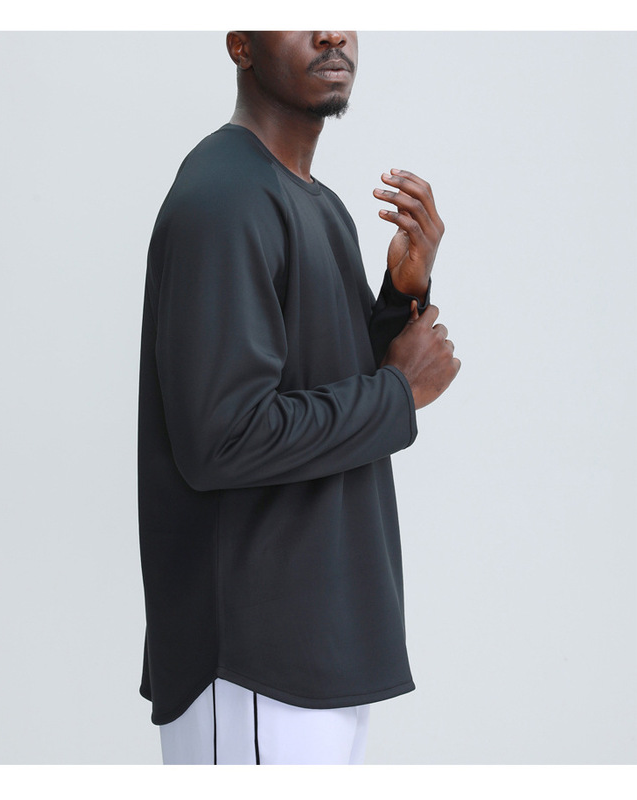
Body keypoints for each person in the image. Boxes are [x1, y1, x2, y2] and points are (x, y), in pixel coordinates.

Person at [137, 30, 460, 765]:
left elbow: (320, 384)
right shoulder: (225, 196)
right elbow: (222, 438)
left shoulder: (316, 203)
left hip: (318, 649)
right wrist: (398, 394)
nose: (331, 32)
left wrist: (400, 298)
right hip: (253, 663)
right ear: (240, 45)